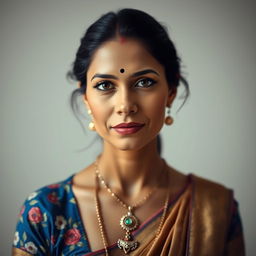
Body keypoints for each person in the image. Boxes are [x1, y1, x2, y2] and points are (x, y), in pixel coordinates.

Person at [12, 8, 245, 256]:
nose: (125, 105)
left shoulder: (215, 209)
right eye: (104, 85)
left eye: (144, 82)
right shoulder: (46, 212)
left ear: (171, 91)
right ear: (86, 98)